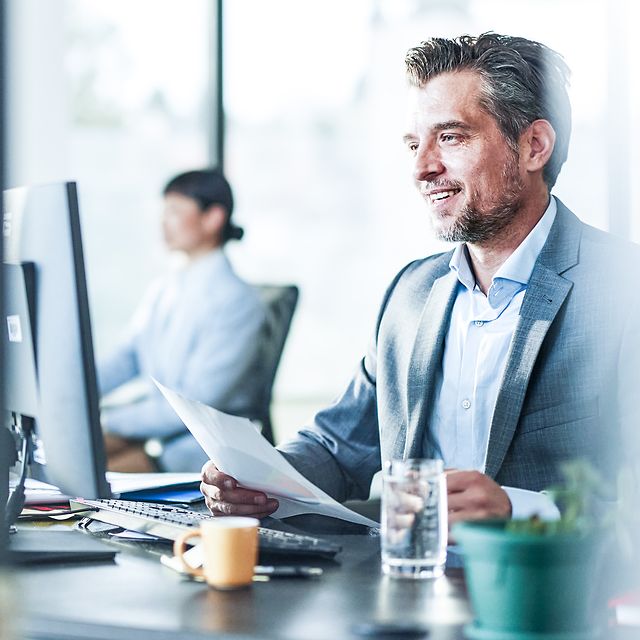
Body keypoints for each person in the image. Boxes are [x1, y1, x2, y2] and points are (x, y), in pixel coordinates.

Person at [200, 34, 640, 525]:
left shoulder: (624, 291)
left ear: (534, 146)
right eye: (415, 143)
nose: (422, 168)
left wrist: (521, 511)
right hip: (401, 587)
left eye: (450, 137)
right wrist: (258, 477)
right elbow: (339, 445)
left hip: (549, 592)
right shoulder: (411, 293)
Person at [99, 168, 266, 473]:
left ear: (213, 217)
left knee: (92, 477)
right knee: (65, 460)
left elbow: (195, 406)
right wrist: (76, 393)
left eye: (175, 210)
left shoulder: (236, 300)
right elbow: (128, 356)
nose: (164, 221)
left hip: (200, 444)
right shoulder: (164, 288)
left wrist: (107, 419)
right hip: (160, 428)